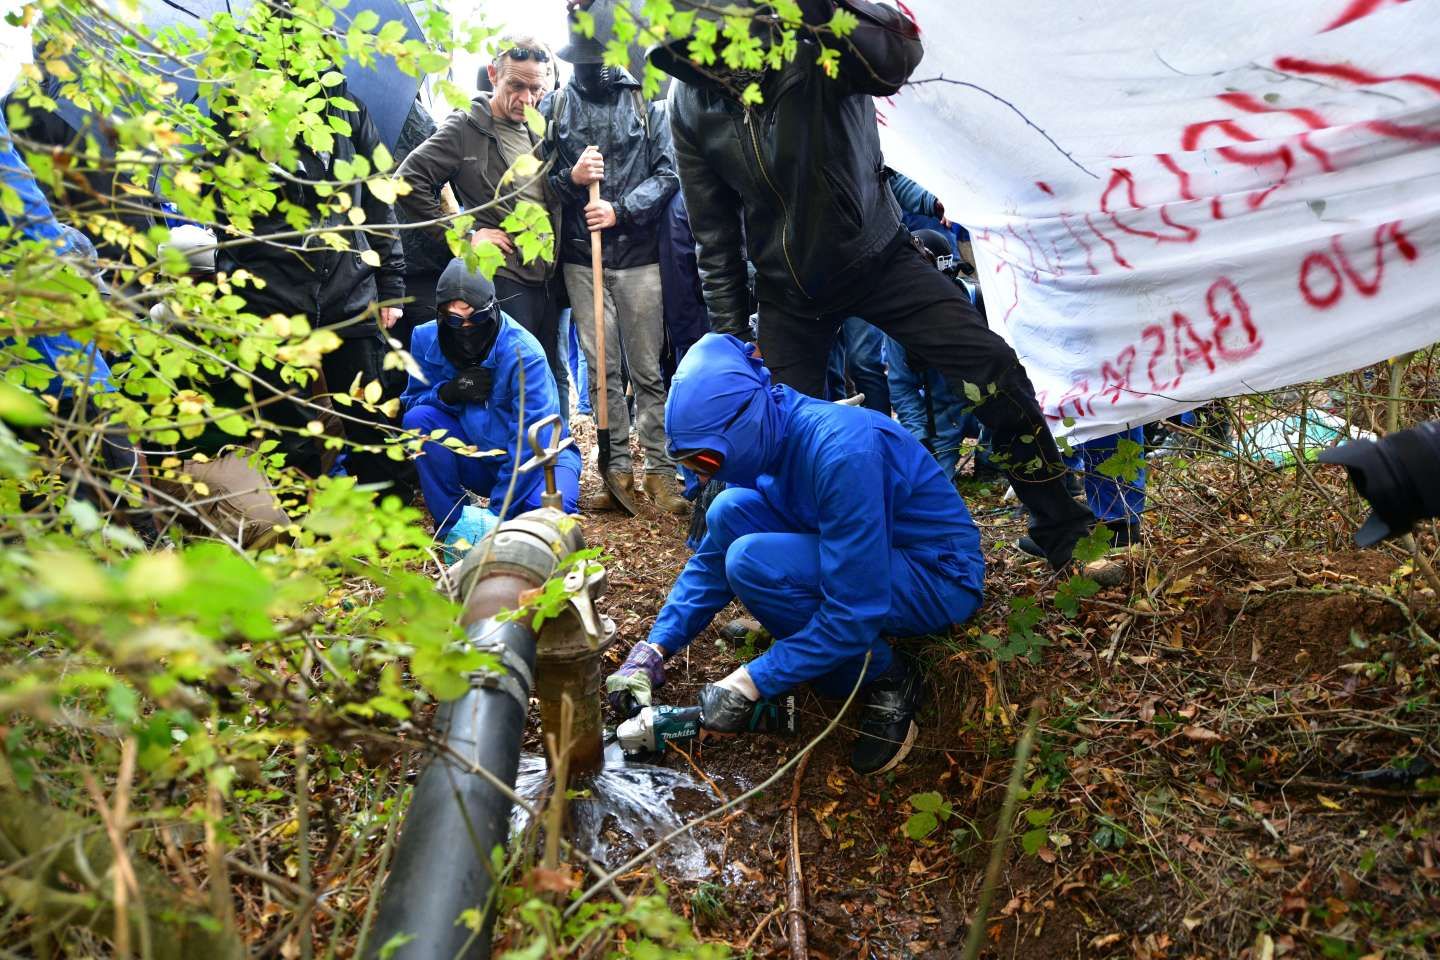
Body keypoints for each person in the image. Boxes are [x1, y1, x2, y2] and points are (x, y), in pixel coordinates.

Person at [650, 0, 1094, 568]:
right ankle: (789, 574)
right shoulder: (688, 103)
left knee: (990, 368)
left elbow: (897, 55)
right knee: (768, 434)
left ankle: (1061, 524)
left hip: (877, 254)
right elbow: (714, 237)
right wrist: (734, 345)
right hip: (787, 290)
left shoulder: (816, 43)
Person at [605, 334, 985, 775]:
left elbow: (855, 609)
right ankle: (806, 635)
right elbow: (710, 562)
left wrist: (749, 682)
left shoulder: (840, 453)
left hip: (936, 575)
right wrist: (655, 647)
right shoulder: (769, 438)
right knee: (728, 512)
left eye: (705, 462)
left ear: (742, 424)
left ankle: (885, 677)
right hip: (871, 559)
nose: (701, 477)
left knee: (752, 561)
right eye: (691, 466)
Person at [214, 76, 409, 497]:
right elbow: (221, 209)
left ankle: (391, 521)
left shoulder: (347, 104)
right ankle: (300, 527)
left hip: (349, 288)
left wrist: (391, 283)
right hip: (272, 297)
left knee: (368, 416)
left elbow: (379, 200)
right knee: (288, 428)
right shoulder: (239, 104)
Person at [542, 0, 686, 514]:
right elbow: (541, 185)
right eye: (580, 57)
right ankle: (616, 467)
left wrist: (620, 210)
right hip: (584, 260)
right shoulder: (555, 107)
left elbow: (668, 175)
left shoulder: (648, 100)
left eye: (595, 55)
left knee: (647, 368)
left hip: (638, 257)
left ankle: (663, 474)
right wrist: (572, 180)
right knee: (602, 369)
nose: (588, 67)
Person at [397, 37, 569, 414]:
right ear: (493, 75)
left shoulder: (538, 126)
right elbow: (407, 180)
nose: (526, 98)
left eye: (536, 88)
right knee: (513, 380)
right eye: (516, 86)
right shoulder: (465, 127)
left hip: (547, 277)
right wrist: (465, 236)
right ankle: (509, 466)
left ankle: (556, 463)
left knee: (552, 373)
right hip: (503, 277)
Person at [401, 258, 580, 558]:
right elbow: (412, 406)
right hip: (479, 456)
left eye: (475, 318)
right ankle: (453, 530)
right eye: (454, 321)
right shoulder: (426, 337)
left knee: (545, 521)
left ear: (492, 308)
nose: (465, 328)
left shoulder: (524, 352)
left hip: (541, 460)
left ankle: (502, 530)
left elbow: (531, 440)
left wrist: (495, 517)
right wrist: (447, 393)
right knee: (419, 420)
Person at [147, 225, 290, 548]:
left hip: (251, 443)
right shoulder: (149, 342)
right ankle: (193, 523)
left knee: (330, 422)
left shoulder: (237, 326)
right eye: (211, 281)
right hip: (199, 458)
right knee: (271, 531)